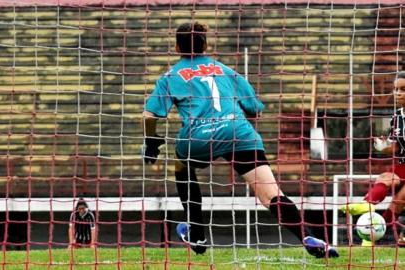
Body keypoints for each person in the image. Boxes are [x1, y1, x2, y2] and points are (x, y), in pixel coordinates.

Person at [143, 21, 338, 258]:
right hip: (238, 132)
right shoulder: (226, 70)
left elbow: (149, 114)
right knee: (270, 194)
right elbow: (255, 110)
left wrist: (151, 141)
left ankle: (196, 231)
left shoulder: (170, 76)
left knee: (181, 165)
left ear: (176, 46)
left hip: (198, 138)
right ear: (206, 43)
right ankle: (306, 236)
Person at [341, 72, 405, 245]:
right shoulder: (397, 117)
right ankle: (367, 206)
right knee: (384, 179)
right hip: (403, 164)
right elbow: (397, 146)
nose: (398, 93)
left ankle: (382, 231)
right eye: (395, 89)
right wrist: (384, 147)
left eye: (403, 89)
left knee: (400, 200)